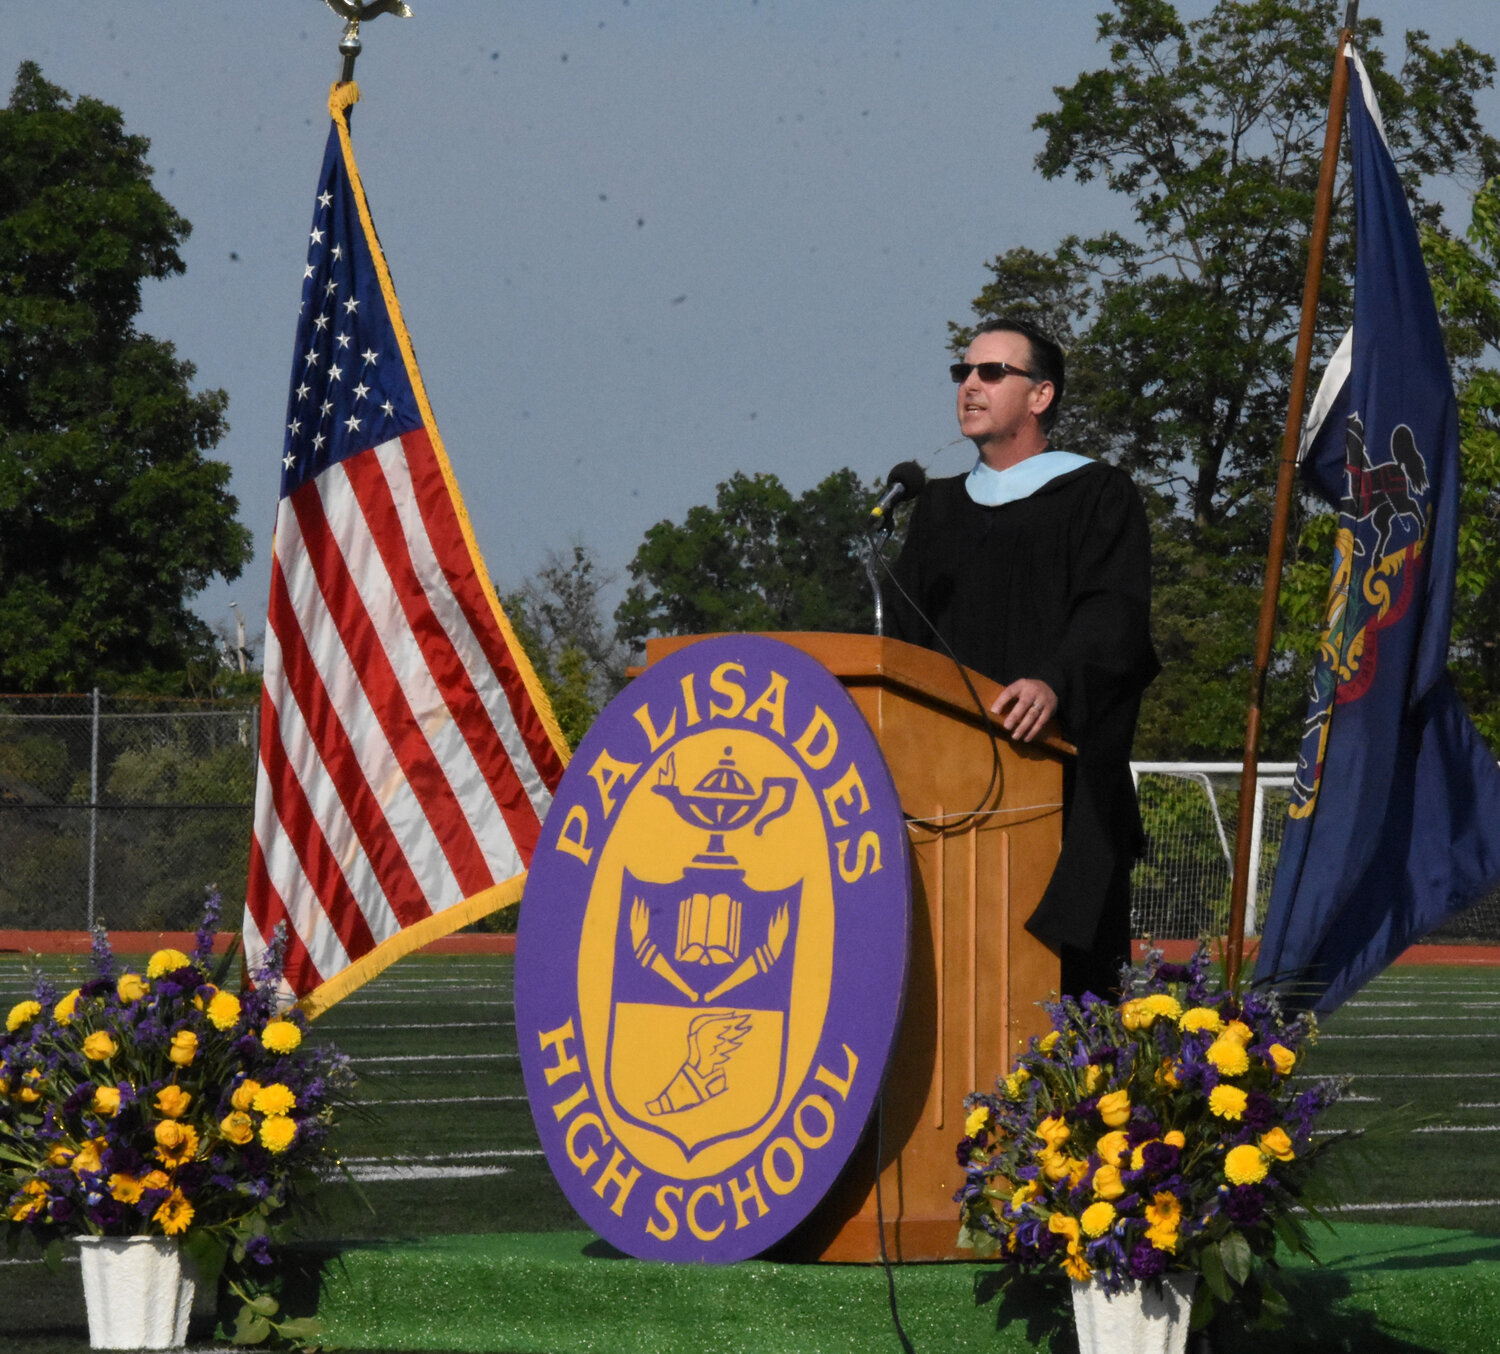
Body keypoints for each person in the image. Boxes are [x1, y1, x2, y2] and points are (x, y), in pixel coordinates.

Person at [884, 317, 1159, 999]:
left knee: (1068, 998)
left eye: (991, 372)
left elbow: (1114, 615)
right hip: (944, 800)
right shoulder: (938, 509)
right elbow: (903, 651)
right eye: (964, 372)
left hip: (1055, 789)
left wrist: (1055, 681)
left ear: (1040, 396)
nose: (970, 385)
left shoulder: (1097, 495)